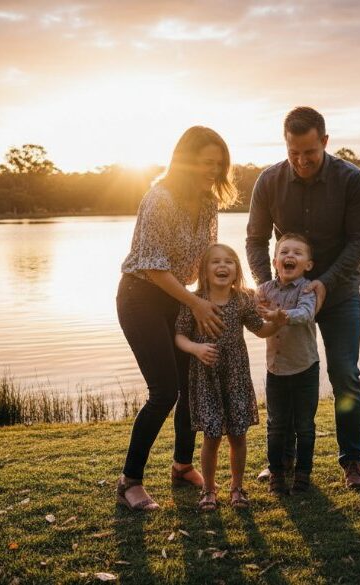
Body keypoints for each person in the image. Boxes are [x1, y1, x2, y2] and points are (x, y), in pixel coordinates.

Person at [246, 107, 360, 489]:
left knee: (344, 374)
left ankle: (352, 462)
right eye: (293, 153)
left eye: (310, 153)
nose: (301, 161)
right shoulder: (269, 181)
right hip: (285, 298)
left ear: (324, 142)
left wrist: (325, 283)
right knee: (283, 375)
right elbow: (255, 239)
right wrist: (267, 285)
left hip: (338, 292)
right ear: (285, 144)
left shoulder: (351, 179)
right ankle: (282, 464)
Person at [116, 126, 238, 511]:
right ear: (185, 161)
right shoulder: (159, 199)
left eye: (219, 165)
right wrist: (197, 305)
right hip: (141, 298)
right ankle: (129, 482)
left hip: (182, 299)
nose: (213, 172)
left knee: (192, 386)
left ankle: (183, 466)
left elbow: (206, 259)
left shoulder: (207, 204)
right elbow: (153, 268)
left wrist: (229, 296)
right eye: (206, 163)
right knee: (165, 391)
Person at [174, 244, 283, 511]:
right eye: (215, 262)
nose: (222, 267)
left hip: (236, 375)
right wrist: (196, 349)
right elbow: (179, 336)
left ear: (236, 270)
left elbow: (261, 330)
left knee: (238, 434)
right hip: (206, 377)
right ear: (204, 270)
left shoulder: (243, 299)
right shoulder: (194, 300)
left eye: (229, 262)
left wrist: (279, 321)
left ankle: (237, 488)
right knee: (212, 435)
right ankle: (208, 490)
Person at [255, 233, 319, 495]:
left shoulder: (308, 289)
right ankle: (277, 474)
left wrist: (280, 315)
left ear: (308, 264)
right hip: (276, 370)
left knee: (304, 424)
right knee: (276, 424)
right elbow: (253, 313)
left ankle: (303, 474)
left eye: (297, 253)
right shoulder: (265, 291)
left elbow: (305, 314)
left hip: (305, 368)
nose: (289, 256)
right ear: (275, 261)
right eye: (284, 252)